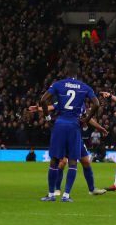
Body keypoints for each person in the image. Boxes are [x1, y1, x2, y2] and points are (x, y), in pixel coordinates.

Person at [31, 61, 107, 202]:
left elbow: (43, 100)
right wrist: (86, 120)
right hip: (74, 127)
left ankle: (51, 194)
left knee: (55, 160)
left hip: (59, 125)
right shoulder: (84, 88)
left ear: (65, 73)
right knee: (73, 161)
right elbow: (96, 104)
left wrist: (47, 117)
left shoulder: (59, 85)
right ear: (77, 74)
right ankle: (66, 195)